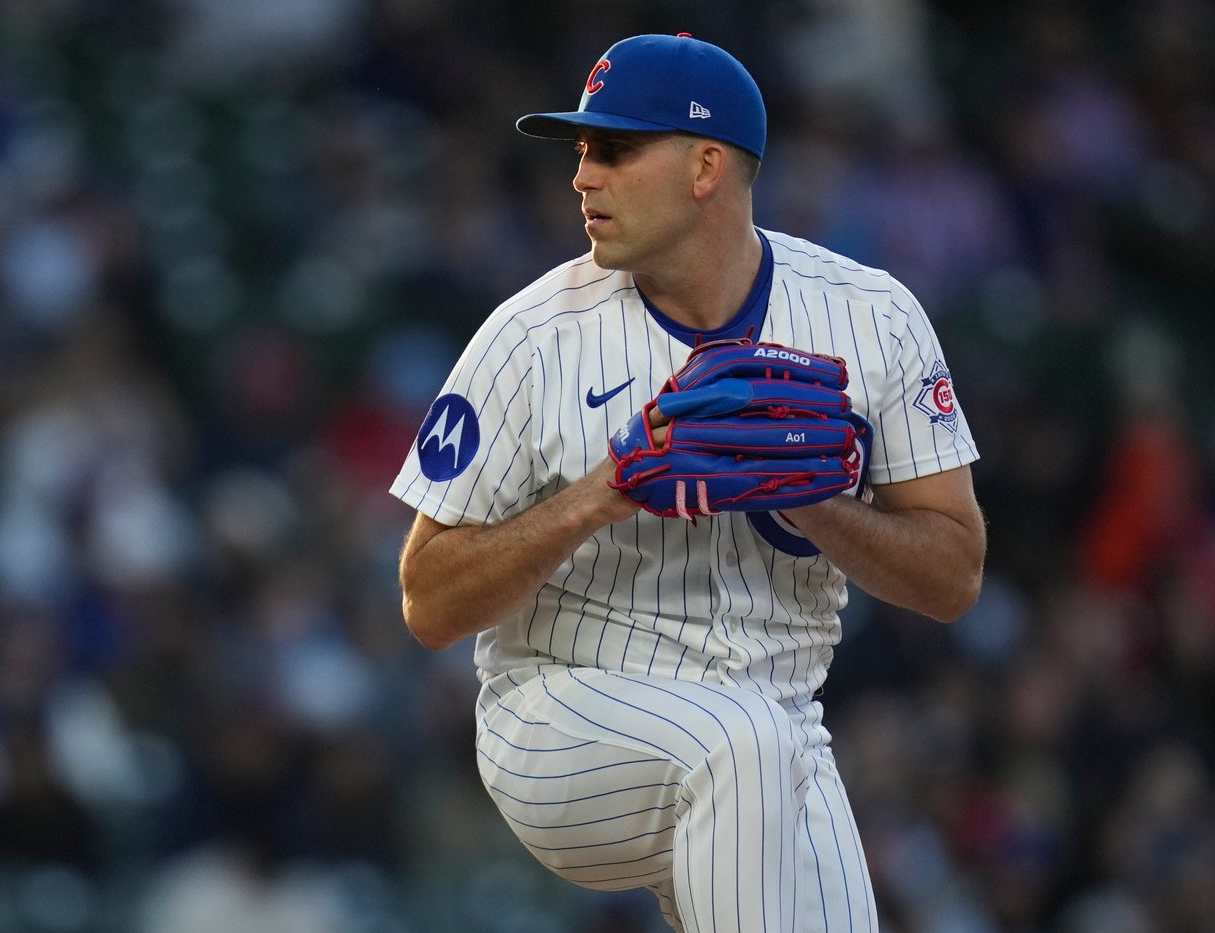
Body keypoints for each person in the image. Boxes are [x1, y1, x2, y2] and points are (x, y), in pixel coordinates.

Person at [390, 33, 985, 932]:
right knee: (736, 743)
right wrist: (608, 489)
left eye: (616, 149)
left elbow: (954, 576)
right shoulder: (530, 337)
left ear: (707, 165)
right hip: (562, 711)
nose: (584, 176)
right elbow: (426, 600)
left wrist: (808, 496)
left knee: (755, 751)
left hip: (780, 725)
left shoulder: (871, 319)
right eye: (583, 150)